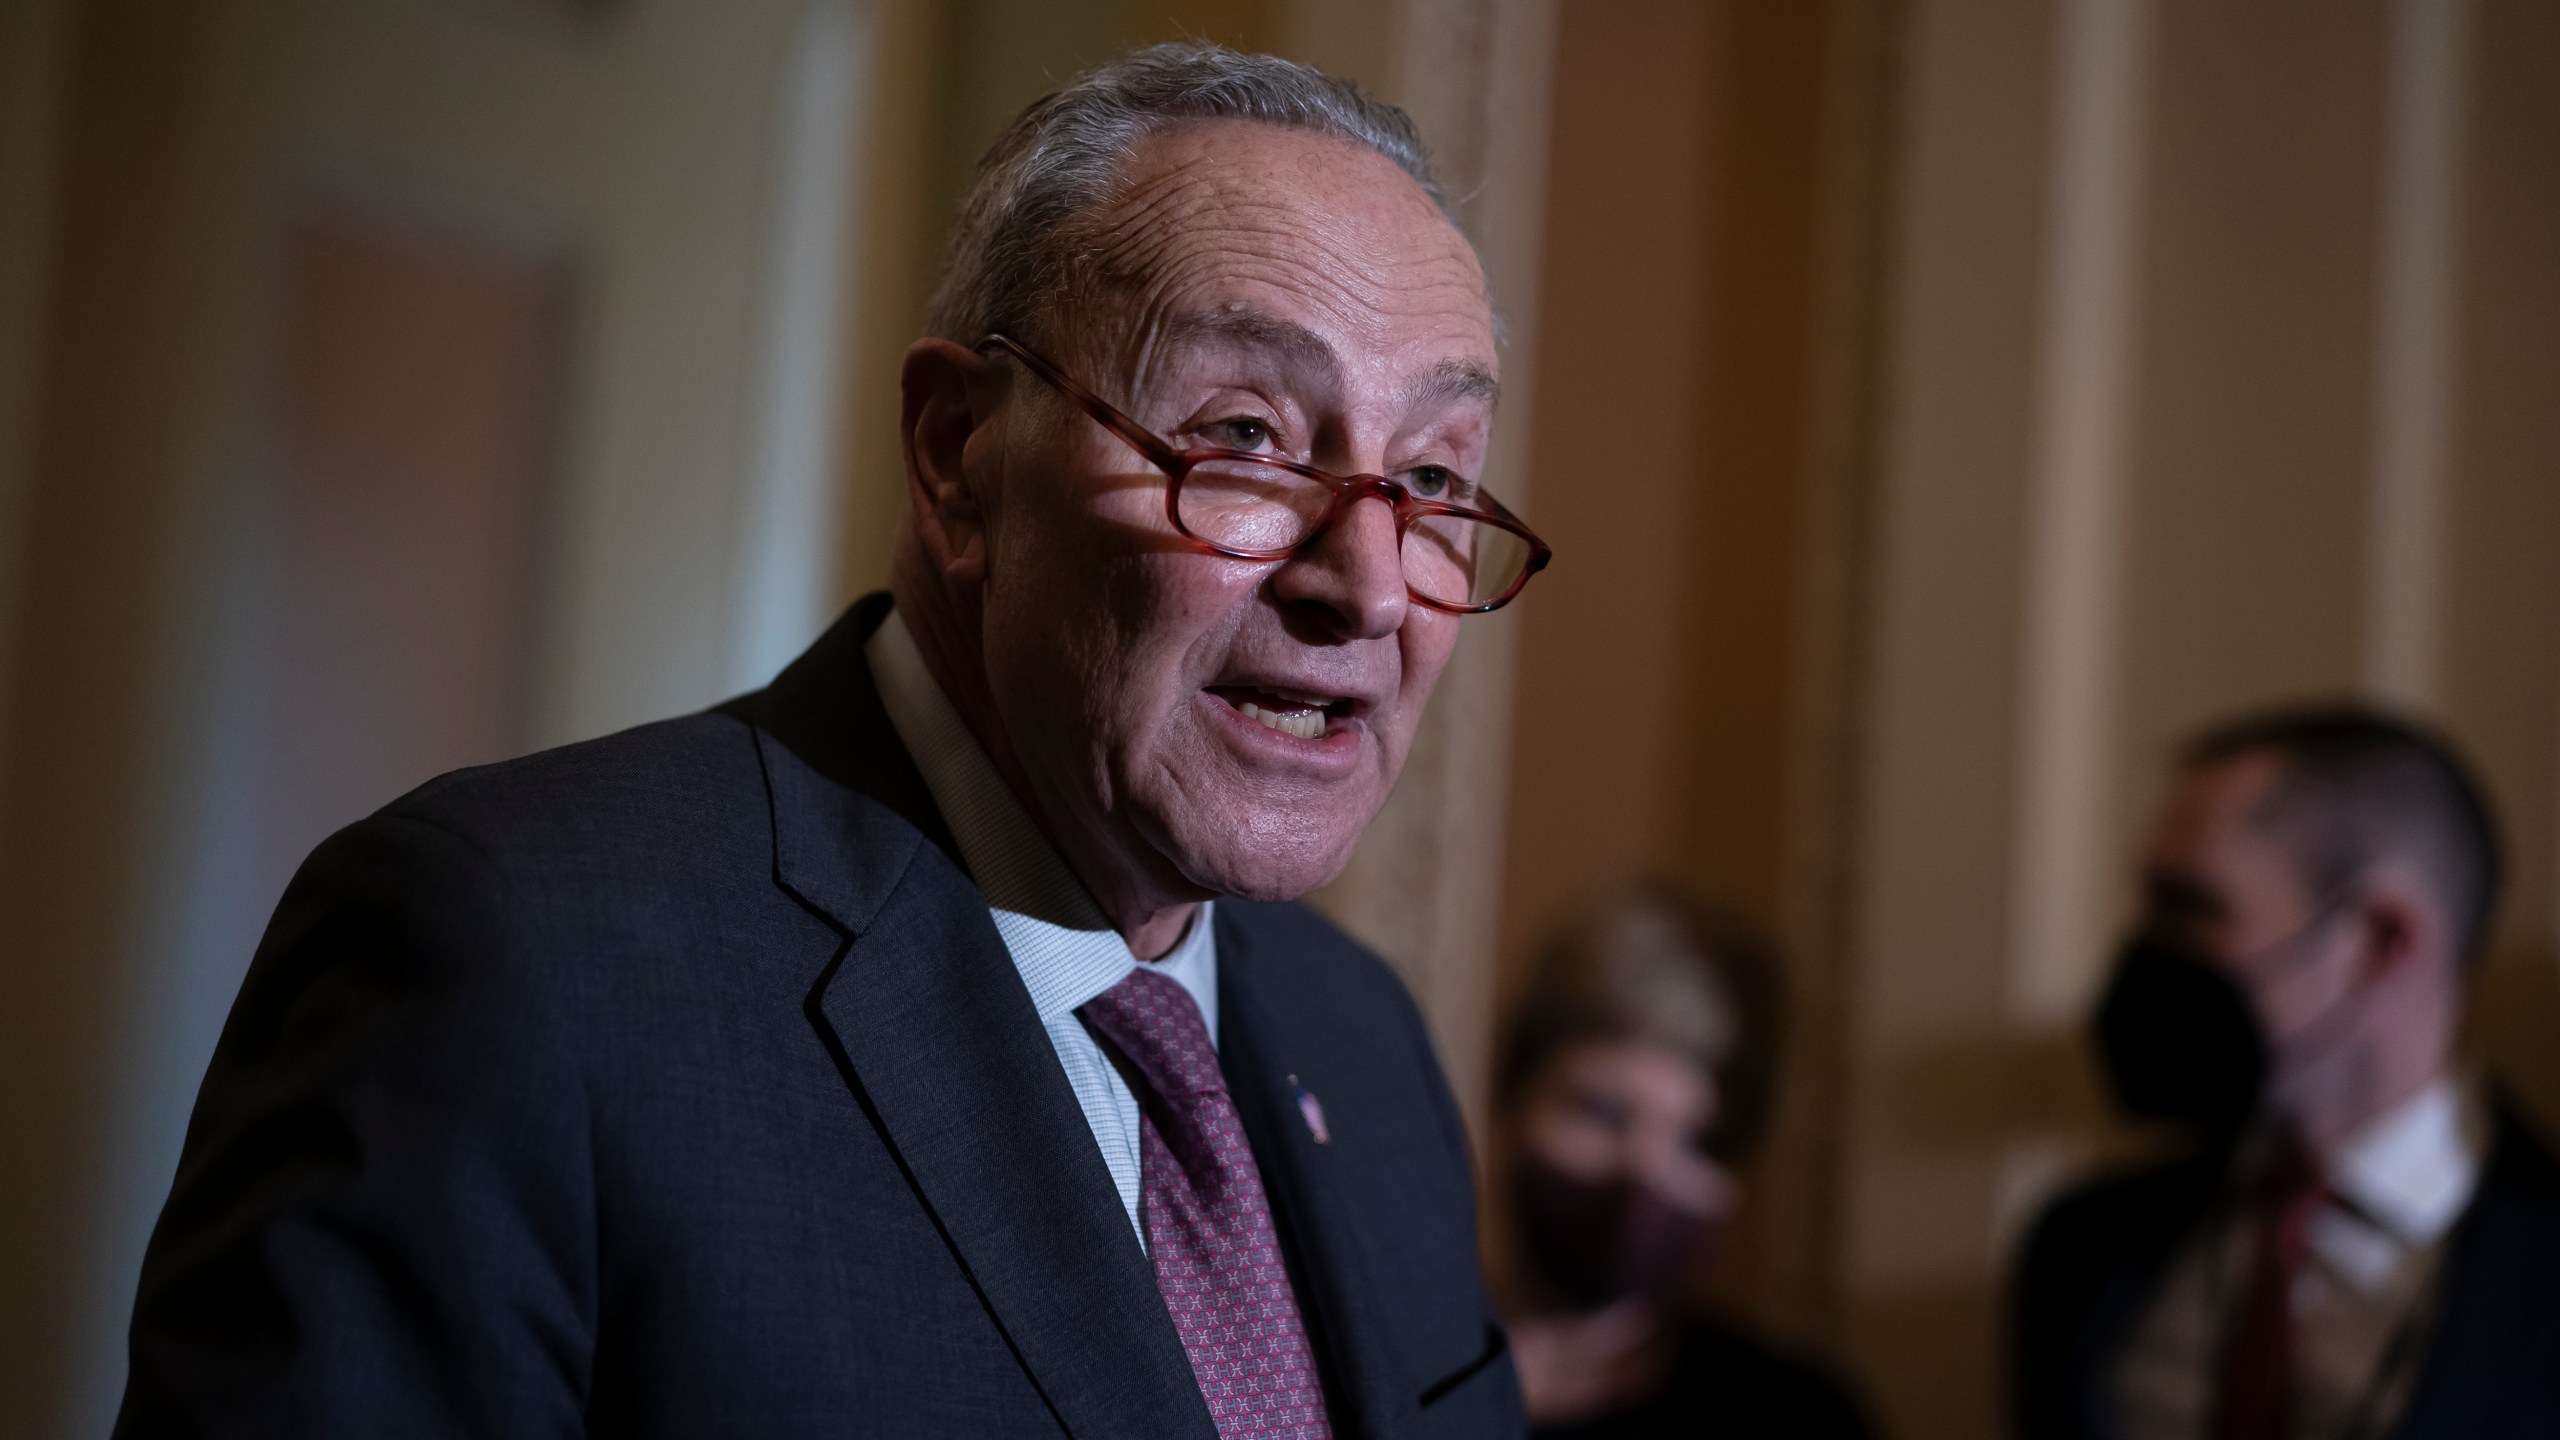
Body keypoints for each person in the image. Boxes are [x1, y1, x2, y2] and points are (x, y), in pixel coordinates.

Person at [115, 44, 1553, 1438]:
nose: (1367, 583)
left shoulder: (1364, 1046)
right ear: (956, 456)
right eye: (1243, 437)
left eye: (1433, 476)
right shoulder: (515, 961)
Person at [2014, 706, 2560, 1440]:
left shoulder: (2539, 1273)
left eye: (2191, 910)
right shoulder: (2081, 1246)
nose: (2147, 955)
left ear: (2380, 941)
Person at [1488, 884, 1877, 1439]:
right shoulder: (1371, 1360)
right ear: (1512, 1094)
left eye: (1700, 1141)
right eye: (1601, 1112)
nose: (1644, 1174)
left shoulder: (1795, 1416)